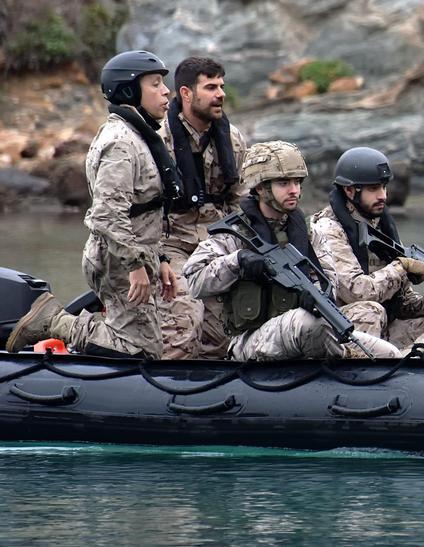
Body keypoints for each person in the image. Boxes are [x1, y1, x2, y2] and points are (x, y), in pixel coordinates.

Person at [6, 51, 183, 358]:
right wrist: (135, 266)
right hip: (118, 259)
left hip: (137, 252)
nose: (166, 91)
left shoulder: (140, 136)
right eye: (155, 84)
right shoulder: (120, 143)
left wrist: (161, 257)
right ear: (129, 91)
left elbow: (145, 208)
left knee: (149, 344)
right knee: (139, 348)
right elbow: (107, 215)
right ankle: (53, 321)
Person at [183, 141, 399, 361]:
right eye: (284, 183)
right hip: (250, 339)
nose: (294, 190)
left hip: (304, 324)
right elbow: (193, 279)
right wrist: (237, 261)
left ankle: (349, 367)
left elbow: (329, 282)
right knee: (309, 323)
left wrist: (314, 294)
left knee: (388, 354)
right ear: (260, 188)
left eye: (297, 182)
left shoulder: (308, 232)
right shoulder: (237, 232)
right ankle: (345, 368)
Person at [309, 147, 424, 355]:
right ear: (349, 191)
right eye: (373, 189)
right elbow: (356, 292)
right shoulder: (329, 229)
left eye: (383, 187)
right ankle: (365, 371)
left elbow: (404, 304)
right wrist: (402, 266)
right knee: (371, 311)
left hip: (384, 326)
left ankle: (414, 359)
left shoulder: (380, 228)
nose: (383, 195)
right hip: (340, 327)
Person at [158, 56, 247, 359]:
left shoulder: (232, 139)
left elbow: (239, 201)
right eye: (210, 87)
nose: (220, 93)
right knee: (185, 319)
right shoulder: (159, 140)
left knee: (225, 332)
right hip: (170, 244)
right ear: (185, 93)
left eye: (221, 86)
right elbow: (140, 210)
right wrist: (155, 258)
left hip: (215, 244)